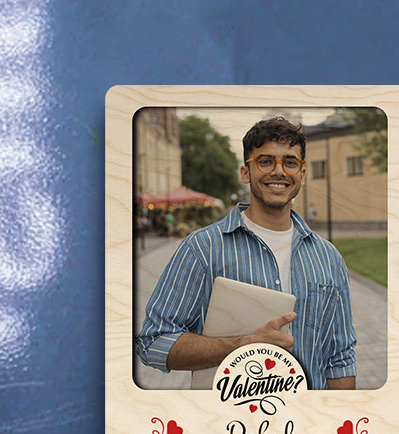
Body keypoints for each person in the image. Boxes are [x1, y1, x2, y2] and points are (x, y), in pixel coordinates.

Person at [137, 117, 357, 390]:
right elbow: (153, 343)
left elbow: (340, 358)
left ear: (302, 173)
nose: (279, 171)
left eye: (290, 162)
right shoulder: (202, 249)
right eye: (265, 161)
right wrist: (244, 345)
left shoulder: (329, 258)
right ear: (245, 172)